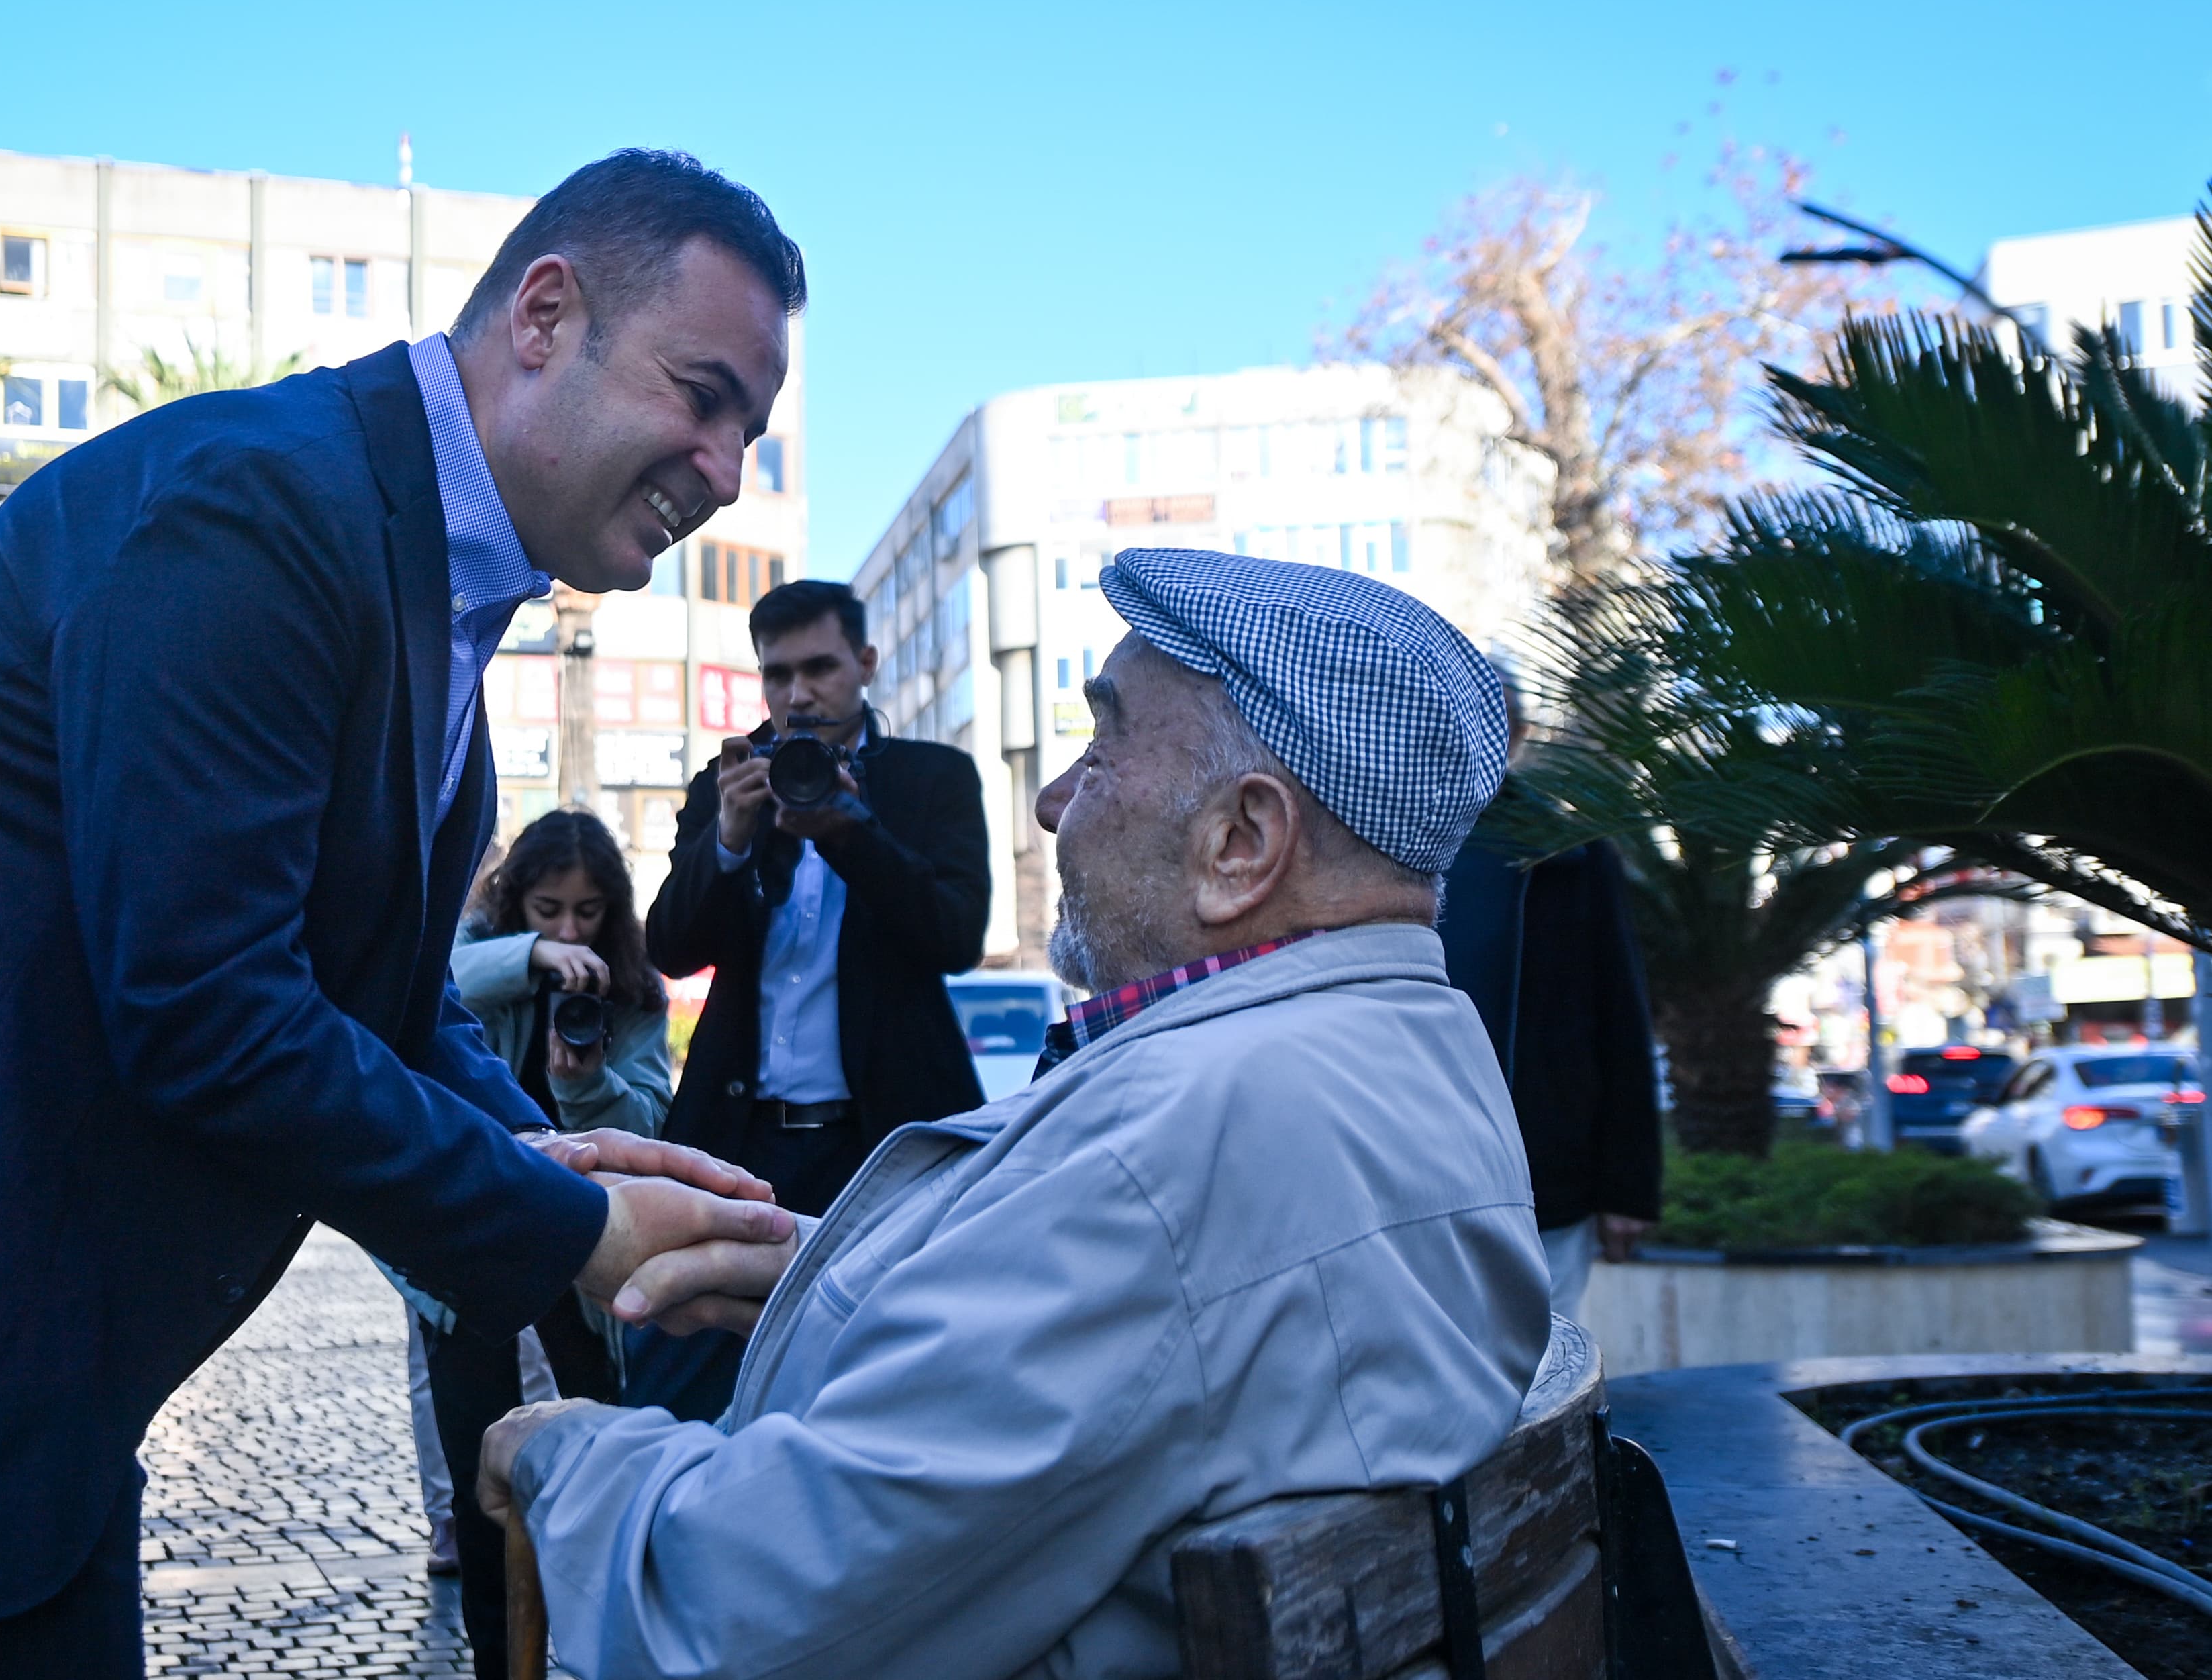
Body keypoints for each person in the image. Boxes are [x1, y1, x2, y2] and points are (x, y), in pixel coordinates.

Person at [0, 150, 802, 1678]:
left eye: (749, 433)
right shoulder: (266, 502)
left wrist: (547, 1147)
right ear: (545, 313)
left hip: (6, 1352)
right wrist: (572, 1223)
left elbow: (380, 998)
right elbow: (202, 1008)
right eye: (701, 394)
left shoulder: (415, 578)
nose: (723, 468)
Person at [483, 550, 1554, 1680]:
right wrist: (808, 1265)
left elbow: (734, 1610)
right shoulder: (1419, 1046)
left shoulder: (1174, 1147)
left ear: (1241, 842)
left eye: (1098, 752)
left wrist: (566, 1452)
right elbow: (1154, 1349)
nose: (1052, 802)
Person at [636, 578, 990, 1418]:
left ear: (865, 664)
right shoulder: (729, 782)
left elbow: (955, 937)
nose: (799, 695)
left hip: (883, 1143)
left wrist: (849, 831)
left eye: (822, 668)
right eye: (778, 673)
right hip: (737, 1142)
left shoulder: (932, 779)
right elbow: (670, 948)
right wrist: (727, 838)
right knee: (682, 1388)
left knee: (880, 1390)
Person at [415, 809, 675, 1677]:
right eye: (548, 908)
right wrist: (528, 960)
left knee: (606, 1439)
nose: (570, 930)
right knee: (478, 1471)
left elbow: (647, 1120)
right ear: (514, 900)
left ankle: (612, 1648)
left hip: (582, 1244)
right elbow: (431, 989)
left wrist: (590, 1086)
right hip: (470, 1248)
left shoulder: (632, 989)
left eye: (589, 912)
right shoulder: (471, 966)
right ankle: (500, 1661)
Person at [1440, 667, 1661, 1320]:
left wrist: (1628, 1187)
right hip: (1414, 1174)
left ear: (1518, 735)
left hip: (1548, 1179)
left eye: (1493, 720)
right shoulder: (1378, 840)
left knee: (1541, 1373)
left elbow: (1620, 1016)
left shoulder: (1574, 855)